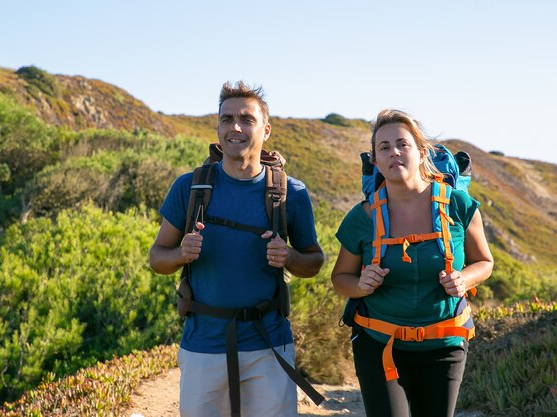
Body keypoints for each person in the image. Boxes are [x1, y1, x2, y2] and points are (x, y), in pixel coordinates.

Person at [149, 81, 324, 417]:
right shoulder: (190, 187)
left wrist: (289, 257)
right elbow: (158, 258)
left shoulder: (291, 194)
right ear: (217, 128)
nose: (236, 128)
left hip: (269, 344)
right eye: (227, 119)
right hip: (203, 344)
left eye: (247, 119)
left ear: (266, 130)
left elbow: (314, 261)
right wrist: (180, 255)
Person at [331, 109, 493, 417]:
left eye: (402, 144)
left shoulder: (458, 205)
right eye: (384, 147)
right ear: (376, 162)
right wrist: (360, 285)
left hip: (446, 344)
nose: (394, 152)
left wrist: (464, 279)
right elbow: (340, 278)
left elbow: (484, 261)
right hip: (379, 344)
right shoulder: (362, 217)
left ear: (421, 153)